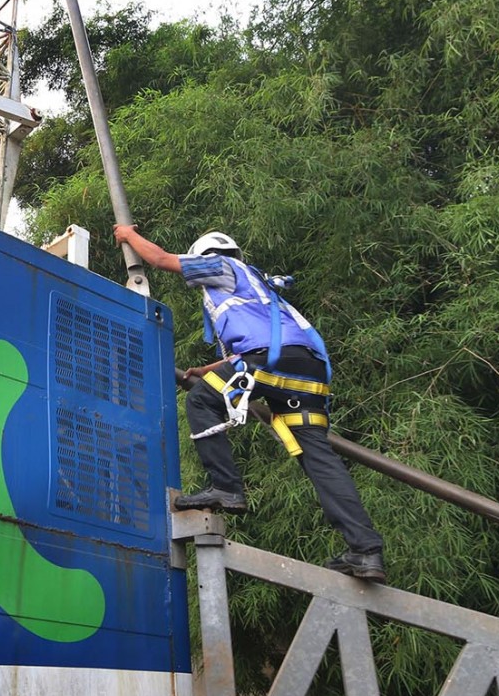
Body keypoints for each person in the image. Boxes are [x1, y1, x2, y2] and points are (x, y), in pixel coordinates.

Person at [114, 224, 387, 583]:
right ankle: (365, 550)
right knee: (319, 460)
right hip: (307, 370)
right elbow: (253, 345)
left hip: (271, 361)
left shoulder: (221, 266)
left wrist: (128, 235)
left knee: (201, 401)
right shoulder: (259, 289)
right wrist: (206, 369)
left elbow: (162, 259)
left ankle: (225, 487)